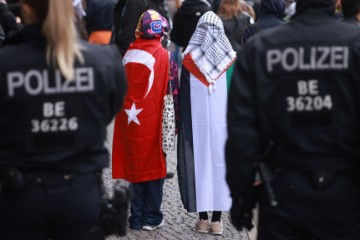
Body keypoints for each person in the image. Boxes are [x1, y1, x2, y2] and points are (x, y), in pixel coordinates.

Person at [226, 0, 360, 239]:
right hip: (344, 199)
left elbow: (242, 135)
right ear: (336, 2)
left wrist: (241, 197)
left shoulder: (261, 48)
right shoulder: (355, 44)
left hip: (283, 195)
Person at [0, 0, 127, 239]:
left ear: (26, 9)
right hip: (81, 194)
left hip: (21, 194)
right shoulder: (105, 62)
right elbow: (107, 111)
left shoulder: (6, 64)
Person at [112, 9, 179, 231]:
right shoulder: (166, 57)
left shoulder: (128, 53)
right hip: (154, 119)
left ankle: (136, 217)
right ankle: (152, 217)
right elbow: (174, 91)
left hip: (130, 119)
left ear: (141, 28)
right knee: (155, 168)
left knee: (136, 165)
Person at [177, 11, 236, 235]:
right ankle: (217, 221)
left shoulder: (189, 60)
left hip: (196, 126)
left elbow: (183, 96)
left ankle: (202, 220)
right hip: (223, 127)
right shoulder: (230, 60)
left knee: (199, 166)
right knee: (220, 167)